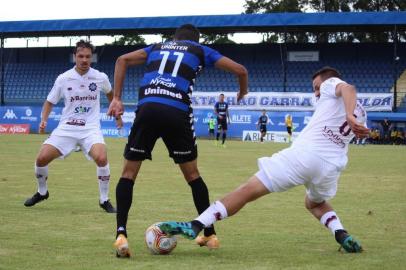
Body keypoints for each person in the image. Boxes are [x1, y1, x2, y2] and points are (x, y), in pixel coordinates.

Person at [158, 66, 370, 253]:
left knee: (246, 191)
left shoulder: (331, 84)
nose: (315, 92)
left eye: (316, 87)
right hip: (330, 168)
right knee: (314, 203)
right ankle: (341, 234)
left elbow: (348, 88)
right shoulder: (362, 111)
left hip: (303, 156)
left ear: (327, 81)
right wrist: (353, 117)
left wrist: (348, 114)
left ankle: (195, 225)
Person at [107, 24, 248, 257]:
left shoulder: (157, 47)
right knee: (193, 176)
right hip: (176, 111)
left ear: (174, 38)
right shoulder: (200, 50)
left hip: (148, 108)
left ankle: (121, 234)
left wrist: (117, 98)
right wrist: (242, 91)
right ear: (196, 39)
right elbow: (241, 70)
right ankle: (210, 234)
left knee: (128, 174)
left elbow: (121, 59)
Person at [24, 40, 121, 213]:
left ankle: (104, 199)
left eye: (88, 57)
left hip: (90, 128)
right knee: (41, 159)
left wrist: (116, 112)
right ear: (74, 57)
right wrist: (43, 120)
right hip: (66, 128)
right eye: (81, 56)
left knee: (101, 157)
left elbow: (111, 95)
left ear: (92, 58)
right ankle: (42, 192)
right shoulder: (63, 78)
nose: (84, 60)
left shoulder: (100, 77)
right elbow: (49, 101)